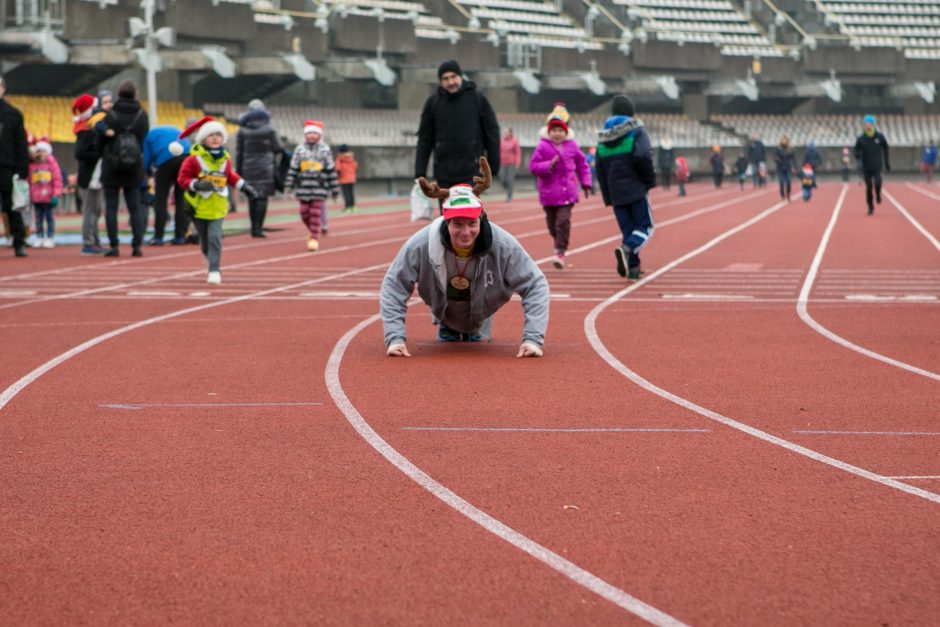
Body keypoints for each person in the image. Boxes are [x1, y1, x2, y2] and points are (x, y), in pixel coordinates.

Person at [380, 157, 548, 358]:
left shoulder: (503, 245)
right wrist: (394, 337)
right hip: (444, 312)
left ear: (481, 219)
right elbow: (394, 285)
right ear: (445, 222)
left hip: (482, 314)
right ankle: (448, 326)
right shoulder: (421, 244)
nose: (465, 232)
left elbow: (535, 284)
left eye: (472, 223)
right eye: (457, 224)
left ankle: (476, 328)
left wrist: (532, 339)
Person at [176, 117, 257, 285]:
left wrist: (245, 186)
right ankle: (211, 259)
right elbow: (182, 179)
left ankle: (214, 270)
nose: (215, 138)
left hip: (218, 206)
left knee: (214, 237)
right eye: (211, 135)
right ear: (203, 138)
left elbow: (230, 176)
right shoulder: (193, 159)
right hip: (198, 207)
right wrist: (196, 184)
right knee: (205, 241)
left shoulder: (225, 158)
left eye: (218, 135)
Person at [414, 59, 501, 209]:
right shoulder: (433, 103)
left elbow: (492, 132)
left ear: (461, 76)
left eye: (453, 77)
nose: (450, 82)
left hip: (471, 172)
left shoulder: (477, 99)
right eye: (445, 79)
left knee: (471, 215)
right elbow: (424, 139)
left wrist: (493, 166)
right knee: (448, 218)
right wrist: (420, 172)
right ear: (440, 81)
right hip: (443, 173)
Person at [595, 94, 656, 281]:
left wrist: (607, 196)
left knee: (629, 231)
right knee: (645, 227)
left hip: (615, 192)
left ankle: (633, 269)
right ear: (631, 112)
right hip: (635, 187)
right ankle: (627, 249)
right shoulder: (637, 129)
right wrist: (648, 180)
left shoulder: (603, 136)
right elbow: (643, 156)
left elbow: (599, 168)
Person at [528, 104, 592, 270]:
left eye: (560, 130)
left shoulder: (572, 147)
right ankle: (559, 243)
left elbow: (582, 164)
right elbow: (533, 166)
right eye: (554, 130)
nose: (557, 133)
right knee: (552, 225)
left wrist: (586, 182)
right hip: (548, 194)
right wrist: (549, 165)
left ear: (566, 132)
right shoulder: (542, 147)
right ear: (549, 132)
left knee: (562, 222)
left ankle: (560, 252)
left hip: (567, 193)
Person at [97, 79, 149, 257]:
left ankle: (114, 245)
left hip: (112, 165)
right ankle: (137, 246)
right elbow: (143, 138)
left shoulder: (110, 115)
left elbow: (100, 140)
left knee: (111, 207)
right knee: (134, 206)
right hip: (134, 166)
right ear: (135, 94)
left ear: (118, 95)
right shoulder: (142, 115)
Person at [284, 120, 339, 252]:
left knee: (315, 213)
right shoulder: (299, 149)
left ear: (319, 135)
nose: (312, 136)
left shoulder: (325, 150)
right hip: (303, 187)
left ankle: (314, 238)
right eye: (309, 133)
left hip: (319, 188)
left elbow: (330, 170)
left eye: (315, 133)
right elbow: (293, 169)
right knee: (303, 212)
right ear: (305, 135)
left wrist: (335, 189)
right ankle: (313, 229)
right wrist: (289, 185)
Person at [236, 99, 282, 238]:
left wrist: (239, 172)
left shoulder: (242, 130)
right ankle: (258, 228)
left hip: (248, 167)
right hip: (265, 167)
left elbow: (239, 152)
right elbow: (278, 148)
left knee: (252, 196)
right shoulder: (270, 129)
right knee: (263, 197)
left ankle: (253, 227)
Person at [143, 124, 189, 245]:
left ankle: (158, 237)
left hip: (166, 160)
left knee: (161, 200)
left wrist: (148, 173)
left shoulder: (149, 136)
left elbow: (146, 160)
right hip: (186, 158)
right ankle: (180, 236)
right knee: (180, 199)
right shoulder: (176, 130)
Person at [71, 94, 106, 254]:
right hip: (89, 177)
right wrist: (98, 155)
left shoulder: (91, 127)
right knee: (89, 211)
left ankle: (95, 240)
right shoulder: (84, 131)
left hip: (96, 176)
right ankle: (88, 241)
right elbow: (80, 153)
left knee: (96, 210)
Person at [0, 76, 29, 257]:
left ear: (3, 89)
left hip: (6, 166)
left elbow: (21, 144)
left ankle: (19, 242)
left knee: (12, 206)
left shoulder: (13, 114)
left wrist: (22, 168)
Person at [28, 139, 62, 248]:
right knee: (38, 218)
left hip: (48, 197)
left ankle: (50, 237)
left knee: (49, 218)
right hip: (36, 198)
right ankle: (39, 236)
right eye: (38, 151)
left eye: (43, 151)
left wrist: (56, 194)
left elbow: (57, 180)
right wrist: (30, 195)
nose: (40, 154)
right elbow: (29, 181)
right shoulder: (32, 166)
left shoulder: (52, 165)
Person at [854, 114, 890, 215]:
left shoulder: (879, 136)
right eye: (865, 124)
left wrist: (887, 162)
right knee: (869, 187)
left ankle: (878, 194)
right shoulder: (861, 138)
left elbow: (886, 148)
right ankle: (870, 207)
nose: (867, 125)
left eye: (869, 123)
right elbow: (856, 150)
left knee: (878, 182)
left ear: (873, 125)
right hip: (866, 166)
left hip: (877, 165)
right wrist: (857, 155)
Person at [335, 143, 358, 213]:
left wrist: (338, 176)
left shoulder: (339, 159)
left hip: (343, 179)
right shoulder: (352, 158)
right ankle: (353, 207)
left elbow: (337, 169)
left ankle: (347, 207)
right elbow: (355, 167)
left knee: (346, 194)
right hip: (352, 178)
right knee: (351, 193)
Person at [499, 127, 521, 201]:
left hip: (511, 164)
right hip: (502, 163)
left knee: (510, 180)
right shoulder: (501, 141)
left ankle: (509, 196)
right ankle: (507, 187)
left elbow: (518, 153)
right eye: (504, 132)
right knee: (502, 179)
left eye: (507, 132)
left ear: (510, 133)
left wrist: (517, 163)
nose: (505, 134)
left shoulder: (514, 141)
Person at [774, 135, 797, 201]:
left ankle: (788, 195)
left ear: (787, 141)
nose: (783, 141)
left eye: (784, 140)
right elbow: (774, 157)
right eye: (782, 140)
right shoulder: (778, 149)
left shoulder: (791, 149)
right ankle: (782, 195)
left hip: (788, 168)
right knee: (781, 182)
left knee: (788, 182)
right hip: (780, 168)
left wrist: (794, 167)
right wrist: (777, 159)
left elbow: (794, 159)